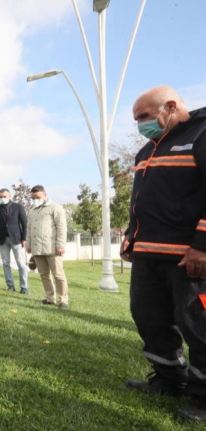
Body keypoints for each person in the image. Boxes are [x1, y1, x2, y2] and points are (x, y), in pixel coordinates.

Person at [121, 86, 206, 422]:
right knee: (149, 318)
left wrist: (202, 245)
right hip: (148, 256)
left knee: (198, 326)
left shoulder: (201, 134)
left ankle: (202, 398)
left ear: (171, 106)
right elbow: (140, 200)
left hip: (190, 258)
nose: (140, 124)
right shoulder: (146, 151)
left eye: (144, 116)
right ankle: (169, 380)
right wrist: (131, 236)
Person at [26, 185, 68, 309]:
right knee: (44, 275)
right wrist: (29, 245)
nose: (35, 200)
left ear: (45, 195)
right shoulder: (32, 210)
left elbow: (61, 228)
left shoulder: (55, 208)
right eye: (33, 198)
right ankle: (50, 298)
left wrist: (60, 245)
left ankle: (63, 300)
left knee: (58, 275)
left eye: (38, 197)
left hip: (53, 248)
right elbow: (28, 229)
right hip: (37, 248)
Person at [0, 188, 29, 294]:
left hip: (16, 239)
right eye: (1, 197)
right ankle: (10, 286)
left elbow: (24, 223)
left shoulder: (18, 207)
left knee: (21, 264)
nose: (3, 198)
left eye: (4, 196)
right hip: (2, 240)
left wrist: (24, 238)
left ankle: (24, 286)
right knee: (6, 264)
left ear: (9, 196)